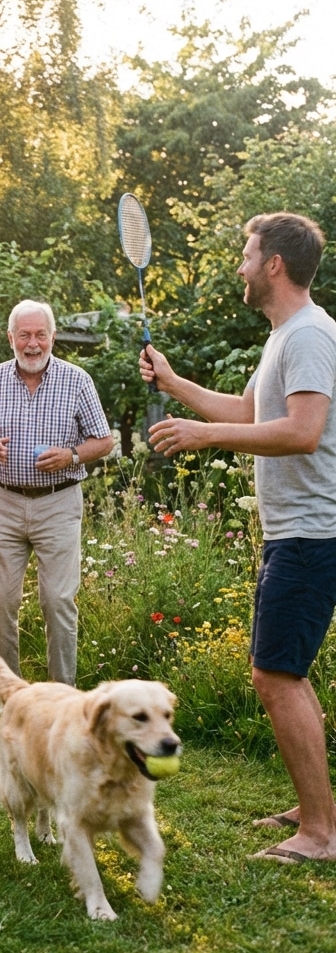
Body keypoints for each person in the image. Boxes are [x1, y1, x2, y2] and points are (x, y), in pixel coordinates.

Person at [142, 212, 336, 865]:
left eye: (246, 256)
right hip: (294, 532)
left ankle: (320, 835)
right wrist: (173, 383)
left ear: (273, 264)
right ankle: (316, 811)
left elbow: (303, 431)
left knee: (275, 675)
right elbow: (249, 412)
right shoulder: (285, 335)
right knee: (285, 673)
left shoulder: (309, 335)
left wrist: (204, 436)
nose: (240, 267)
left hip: (311, 533)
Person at [0, 299, 113, 686]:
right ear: (10, 338)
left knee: (58, 600)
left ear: (53, 336)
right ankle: (8, 694)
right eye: (25, 335)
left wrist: (71, 455)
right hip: (5, 501)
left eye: (41, 335)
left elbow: (104, 440)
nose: (33, 344)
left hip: (58, 502)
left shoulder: (77, 380)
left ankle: (62, 694)